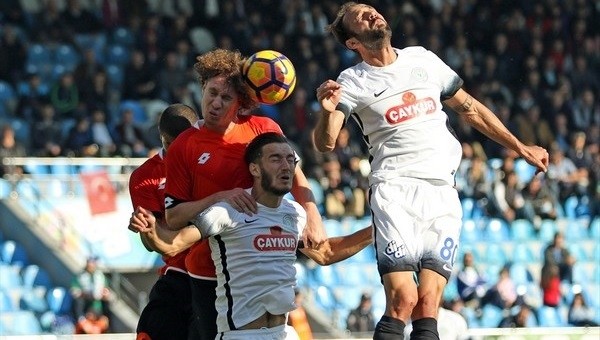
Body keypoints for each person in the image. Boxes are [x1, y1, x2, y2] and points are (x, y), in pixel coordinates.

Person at [312, 3, 550, 339]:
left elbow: (471, 110)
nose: (372, 14)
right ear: (353, 43)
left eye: (371, 9)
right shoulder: (352, 81)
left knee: (428, 305)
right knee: (403, 299)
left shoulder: (422, 58)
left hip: (442, 191)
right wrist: (325, 113)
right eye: (360, 18)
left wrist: (520, 147)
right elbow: (326, 143)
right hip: (395, 190)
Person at [131, 132, 372, 340]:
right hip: (240, 334)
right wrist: (151, 230)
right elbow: (173, 245)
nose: (286, 166)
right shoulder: (228, 211)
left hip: (283, 333)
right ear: (254, 168)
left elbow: (325, 253)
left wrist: (377, 230)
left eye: (290, 159)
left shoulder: (295, 213)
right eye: (275, 159)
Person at [161, 49, 327, 340]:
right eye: (211, 92)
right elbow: (173, 217)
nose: (215, 103)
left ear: (242, 104)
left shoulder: (263, 129)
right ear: (202, 88)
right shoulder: (184, 145)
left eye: (226, 98)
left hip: (259, 268)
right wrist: (220, 197)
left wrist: (312, 214)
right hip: (206, 270)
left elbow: (294, 171)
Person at [128, 103, 199, 339]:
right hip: (180, 272)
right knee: (152, 328)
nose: (179, 150)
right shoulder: (144, 176)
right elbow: (154, 242)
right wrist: (147, 230)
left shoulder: (211, 160)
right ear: (162, 139)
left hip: (223, 272)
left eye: (185, 143)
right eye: (172, 144)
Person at [69, 257, 111, 323]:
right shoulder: (80, 276)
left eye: (92, 264)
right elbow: (74, 291)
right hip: (85, 302)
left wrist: (104, 293)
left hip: (97, 303)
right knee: (78, 301)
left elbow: (106, 289)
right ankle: (81, 320)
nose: (91, 266)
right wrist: (83, 293)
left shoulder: (100, 276)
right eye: (89, 264)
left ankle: (107, 322)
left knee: (107, 303)